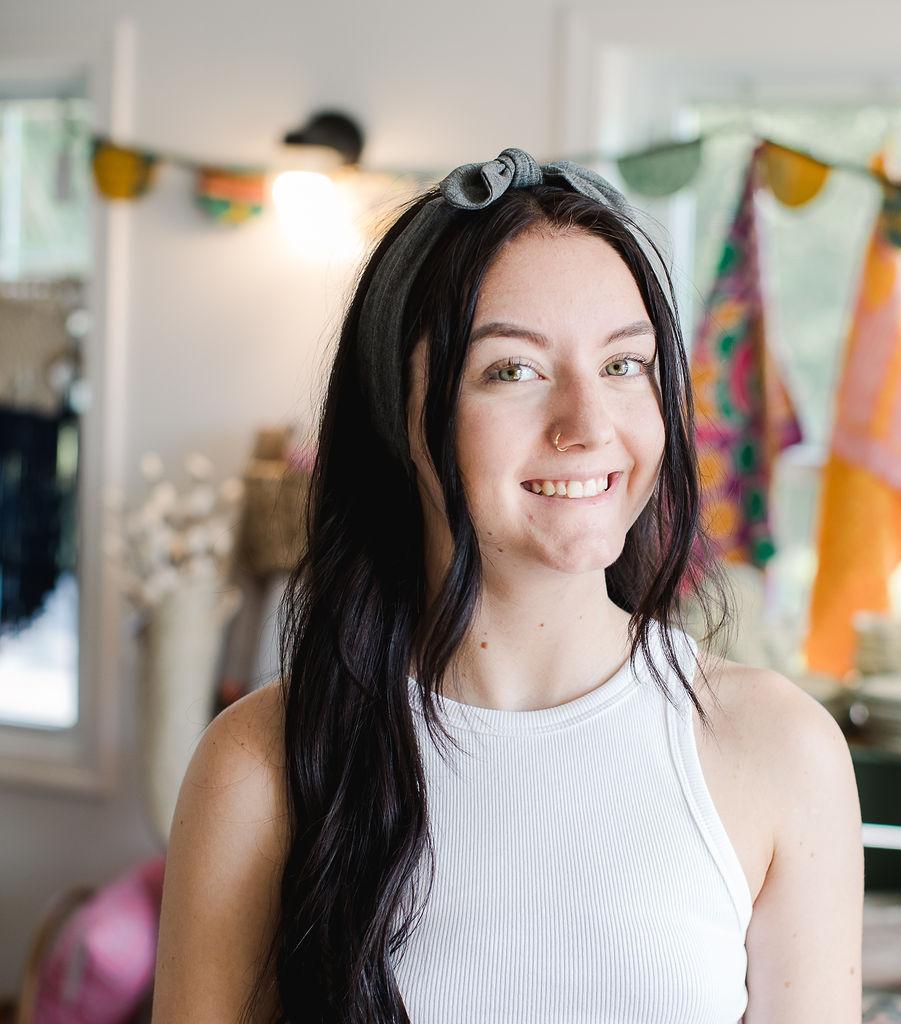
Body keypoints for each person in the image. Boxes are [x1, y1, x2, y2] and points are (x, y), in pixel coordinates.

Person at [151, 148, 863, 1023]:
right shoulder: (259, 767)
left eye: (624, 365)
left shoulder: (781, 750)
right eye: (512, 371)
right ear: (396, 414)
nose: (588, 426)